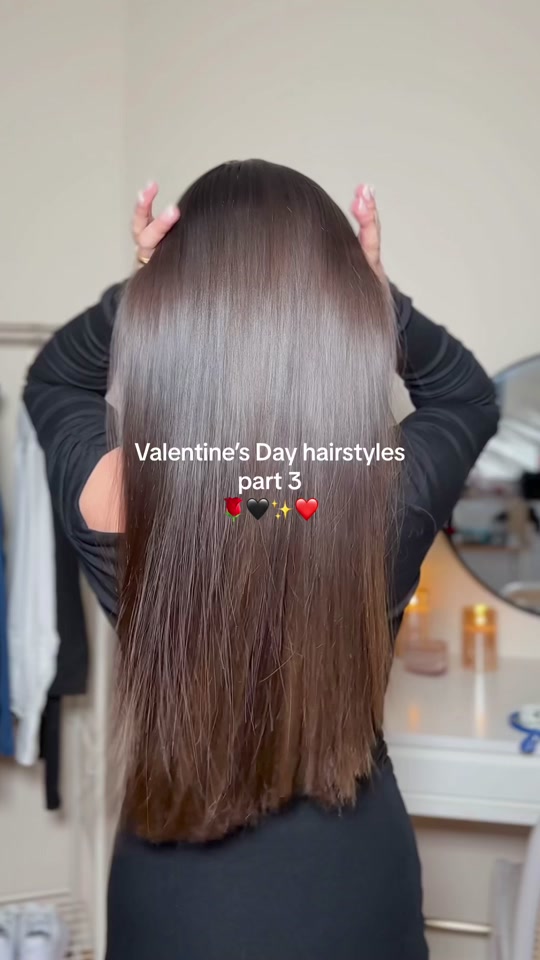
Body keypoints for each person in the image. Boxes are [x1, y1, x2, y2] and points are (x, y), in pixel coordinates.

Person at [23, 160, 500, 960]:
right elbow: (469, 398)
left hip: (169, 896)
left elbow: (55, 381)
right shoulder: (385, 491)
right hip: (352, 887)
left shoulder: (117, 494)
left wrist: (144, 288)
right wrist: (379, 299)